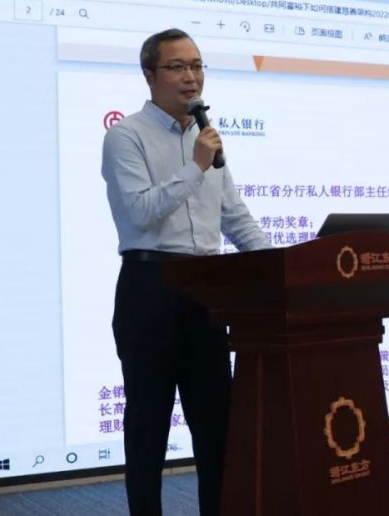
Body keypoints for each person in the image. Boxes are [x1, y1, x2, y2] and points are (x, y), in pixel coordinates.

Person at [101, 28, 269, 515]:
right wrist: (196, 166)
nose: (191, 77)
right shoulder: (126, 136)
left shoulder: (204, 138)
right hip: (150, 288)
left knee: (217, 425)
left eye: (196, 66)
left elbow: (234, 217)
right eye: (177, 67)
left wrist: (279, 267)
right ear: (149, 74)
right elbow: (139, 213)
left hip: (208, 294)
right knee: (148, 426)